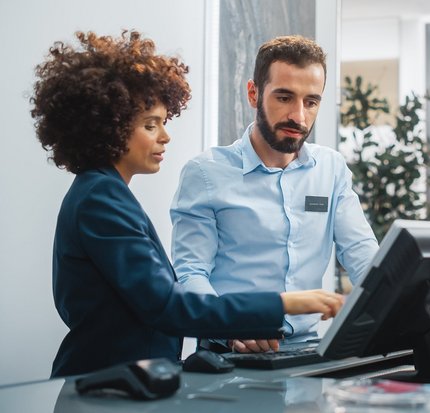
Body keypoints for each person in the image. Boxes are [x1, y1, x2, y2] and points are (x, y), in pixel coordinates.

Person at [30, 30, 344, 378]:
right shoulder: (100, 199)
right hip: (102, 386)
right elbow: (170, 306)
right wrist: (287, 303)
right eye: (151, 125)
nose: (165, 136)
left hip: (128, 382)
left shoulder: (105, 193)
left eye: (164, 122)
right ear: (109, 127)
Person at [170, 35, 379, 353]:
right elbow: (191, 272)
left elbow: (363, 256)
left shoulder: (331, 169)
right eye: (284, 97)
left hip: (309, 347)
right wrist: (228, 326)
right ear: (253, 93)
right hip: (229, 349)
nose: (299, 116)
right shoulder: (205, 173)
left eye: (311, 102)